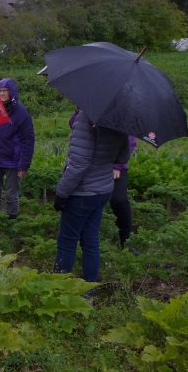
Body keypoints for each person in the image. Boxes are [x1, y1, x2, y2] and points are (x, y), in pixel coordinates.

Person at [53, 109, 131, 287]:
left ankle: (58, 291)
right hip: (103, 189)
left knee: (67, 242)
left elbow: (78, 164)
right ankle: (89, 293)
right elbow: (123, 156)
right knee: (91, 241)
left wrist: (61, 193)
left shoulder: (86, 117)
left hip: (82, 191)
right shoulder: (119, 118)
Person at [0, 78, 35, 220]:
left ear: (12, 92)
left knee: (11, 194)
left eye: (5, 91)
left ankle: (11, 223)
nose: (2, 93)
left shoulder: (21, 113)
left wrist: (24, 164)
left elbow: (28, 139)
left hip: (13, 161)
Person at [110, 136, 137, 248]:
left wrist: (117, 165)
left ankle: (127, 241)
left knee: (119, 200)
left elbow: (130, 141)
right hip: (93, 162)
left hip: (117, 164)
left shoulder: (127, 123)